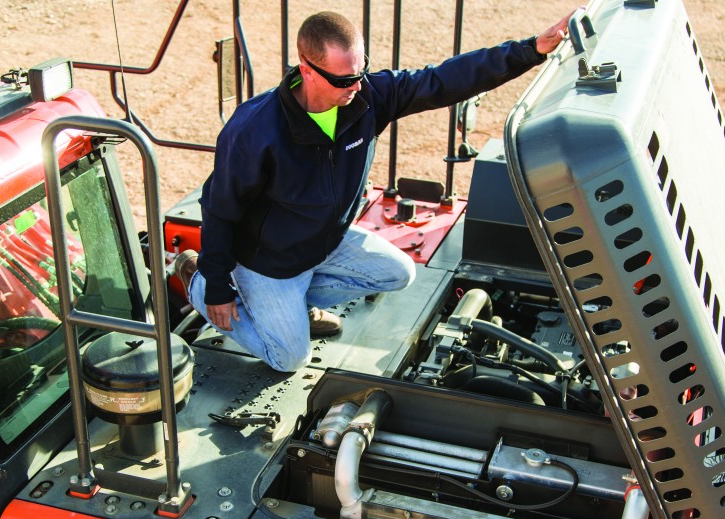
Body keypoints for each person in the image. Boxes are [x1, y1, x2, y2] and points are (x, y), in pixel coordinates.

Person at [176, 10, 573, 372]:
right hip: (268, 264)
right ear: (307, 70)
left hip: (323, 244)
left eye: (360, 73)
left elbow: (442, 81)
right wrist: (214, 283)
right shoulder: (255, 131)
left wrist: (531, 50)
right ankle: (192, 279)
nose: (356, 86)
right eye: (343, 80)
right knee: (287, 358)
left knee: (398, 273)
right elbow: (220, 210)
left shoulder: (366, 97)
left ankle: (298, 307)